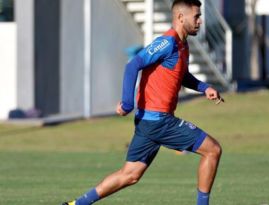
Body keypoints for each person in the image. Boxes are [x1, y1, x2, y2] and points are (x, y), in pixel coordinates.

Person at [62, 0, 223, 205]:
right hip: (159, 121)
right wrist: (127, 103)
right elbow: (133, 65)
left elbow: (181, 75)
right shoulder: (168, 42)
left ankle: (77, 204)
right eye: (197, 16)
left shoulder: (183, 45)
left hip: (150, 122)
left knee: (130, 174)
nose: (200, 21)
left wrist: (204, 88)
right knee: (212, 150)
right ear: (181, 18)